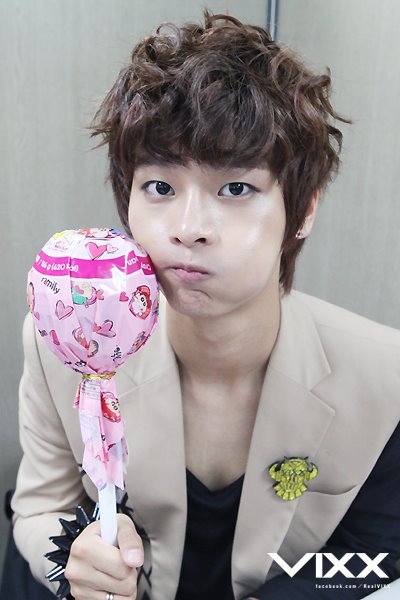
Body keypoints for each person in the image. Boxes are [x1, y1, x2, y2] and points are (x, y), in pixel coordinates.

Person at [10, 10, 400, 600]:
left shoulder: (385, 378)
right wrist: (77, 566)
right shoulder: (66, 343)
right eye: (160, 187)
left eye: (236, 188)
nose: (188, 227)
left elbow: (375, 551)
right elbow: (39, 509)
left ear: (303, 210)